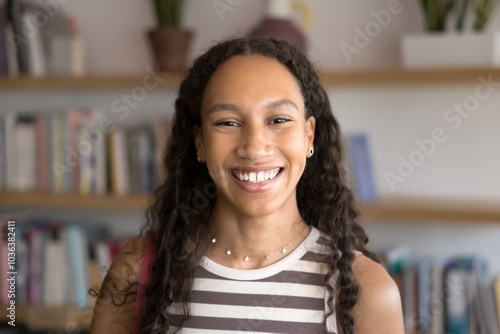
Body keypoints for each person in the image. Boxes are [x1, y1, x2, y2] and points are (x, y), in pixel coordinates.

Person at [89, 37, 404, 334]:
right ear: (200, 142)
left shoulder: (366, 290)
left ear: (308, 136)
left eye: (278, 120)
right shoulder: (138, 272)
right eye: (228, 123)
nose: (254, 148)